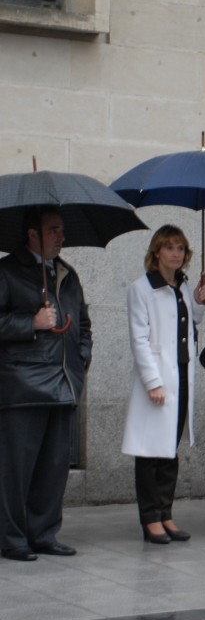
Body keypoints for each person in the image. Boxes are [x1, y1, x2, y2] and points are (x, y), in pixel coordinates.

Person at [0, 206, 91, 562]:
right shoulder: (7, 271)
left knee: (53, 468)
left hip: (63, 383)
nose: (61, 237)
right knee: (16, 471)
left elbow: (83, 323)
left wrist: (81, 359)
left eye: (62, 230)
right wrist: (31, 322)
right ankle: (12, 538)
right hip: (23, 387)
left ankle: (43, 533)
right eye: (53, 230)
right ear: (32, 234)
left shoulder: (67, 274)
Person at [120, 226, 205, 545]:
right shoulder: (141, 288)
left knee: (170, 449)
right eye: (170, 248)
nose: (176, 254)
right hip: (158, 378)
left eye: (181, 248)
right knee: (150, 453)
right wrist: (153, 382)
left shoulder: (182, 286)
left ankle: (165, 512)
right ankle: (150, 518)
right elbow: (139, 339)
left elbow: (189, 323)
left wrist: (199, 302)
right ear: (156, 252)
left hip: (181, 375)